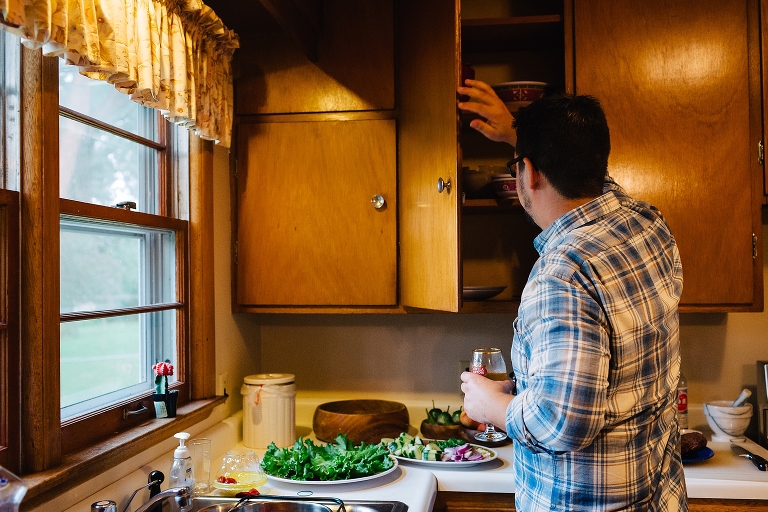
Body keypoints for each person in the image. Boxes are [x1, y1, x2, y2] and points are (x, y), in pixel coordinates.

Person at [458, 79, 687, 512]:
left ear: (526, 172)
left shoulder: (561, 274)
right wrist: (520, 136)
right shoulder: (646, 223)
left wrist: (493, 406)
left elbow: (561, 423)